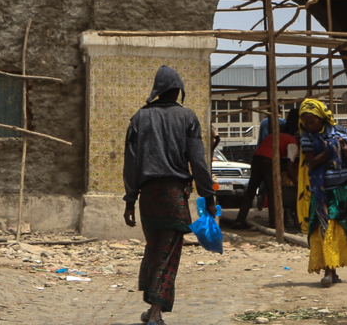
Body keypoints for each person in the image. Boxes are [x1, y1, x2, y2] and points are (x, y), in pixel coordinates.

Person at [123, 66, 216, 325]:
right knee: (169, 252)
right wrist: (209, 197)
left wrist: (130, 200)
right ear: (178, 92)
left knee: (154, 248)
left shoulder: (138, 119)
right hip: (175, 195)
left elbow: (130, 163)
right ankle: (154, 313)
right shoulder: (188, 118)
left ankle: (153, 308)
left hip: (148, 197)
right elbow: (198, 162)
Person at [297, 98, 347, 287]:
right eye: (306, 123)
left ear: (322, 118)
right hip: (322, 192)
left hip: (343, 189)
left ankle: (333, 270)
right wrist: (330, 151)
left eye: (313, 122)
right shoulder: (306, 137)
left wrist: (346, 150)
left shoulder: (340, 131)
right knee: (325, 227)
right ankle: (329, 270)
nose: (309, 126)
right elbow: (312, 162)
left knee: (341, 228)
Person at [232, 107, 299, 229]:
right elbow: (289, 166)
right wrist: (297, 184)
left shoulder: (277, 135)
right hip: (269, 161)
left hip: (257, 159)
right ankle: (275, 224)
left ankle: (239, 220)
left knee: (251, 191)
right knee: (273, 193)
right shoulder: (293, 142)